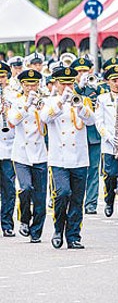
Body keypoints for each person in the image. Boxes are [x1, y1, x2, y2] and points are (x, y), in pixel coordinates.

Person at [40, 66, 95, 249]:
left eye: (69, 83)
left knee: (77, 199)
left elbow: (91, 120)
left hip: (80, 157)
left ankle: (73, 236)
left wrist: (79, 107)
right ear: (56, 83)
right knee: (62, 193)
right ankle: (58, 229)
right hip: (59, 158)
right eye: (63, 83)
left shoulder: (82, 100)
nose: (67, 86)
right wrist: (61, 103)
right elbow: (45, 118)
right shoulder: (51, 101)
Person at [8, 69, 46, 242]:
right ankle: (24, 219)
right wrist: (26, 106)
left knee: (40, 196)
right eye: (28, 84)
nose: (31, 87)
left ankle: (36, 231)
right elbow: (12, 121)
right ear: (22, 85)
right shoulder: (16, 102)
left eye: (34, 84)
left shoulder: (43, 102)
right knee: (26, 187)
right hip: (22, 153)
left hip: (40, 153)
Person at [95, 65, 118, 218]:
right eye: (114, 81)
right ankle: (109, 200)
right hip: (109, 144)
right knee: (111, 175)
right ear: (108, 82)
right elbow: (99, 122)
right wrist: (108, 137)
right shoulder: (102, 99)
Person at [72, 57, 102, 215]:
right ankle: (76, 200)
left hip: (93, 135)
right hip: (76, 136)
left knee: (93, 170)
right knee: (76, 171)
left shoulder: (96, 87)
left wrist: (96, 89)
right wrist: (79, 88)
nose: (83, 74)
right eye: (79, 71)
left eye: (86, 71)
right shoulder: (71, 88)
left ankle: (91, 203)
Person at [0, 61, 16, 237]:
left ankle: (7, 224)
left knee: (9, 190)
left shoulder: (14, 96)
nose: (0, 81)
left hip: (9, 148)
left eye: (2, 77)